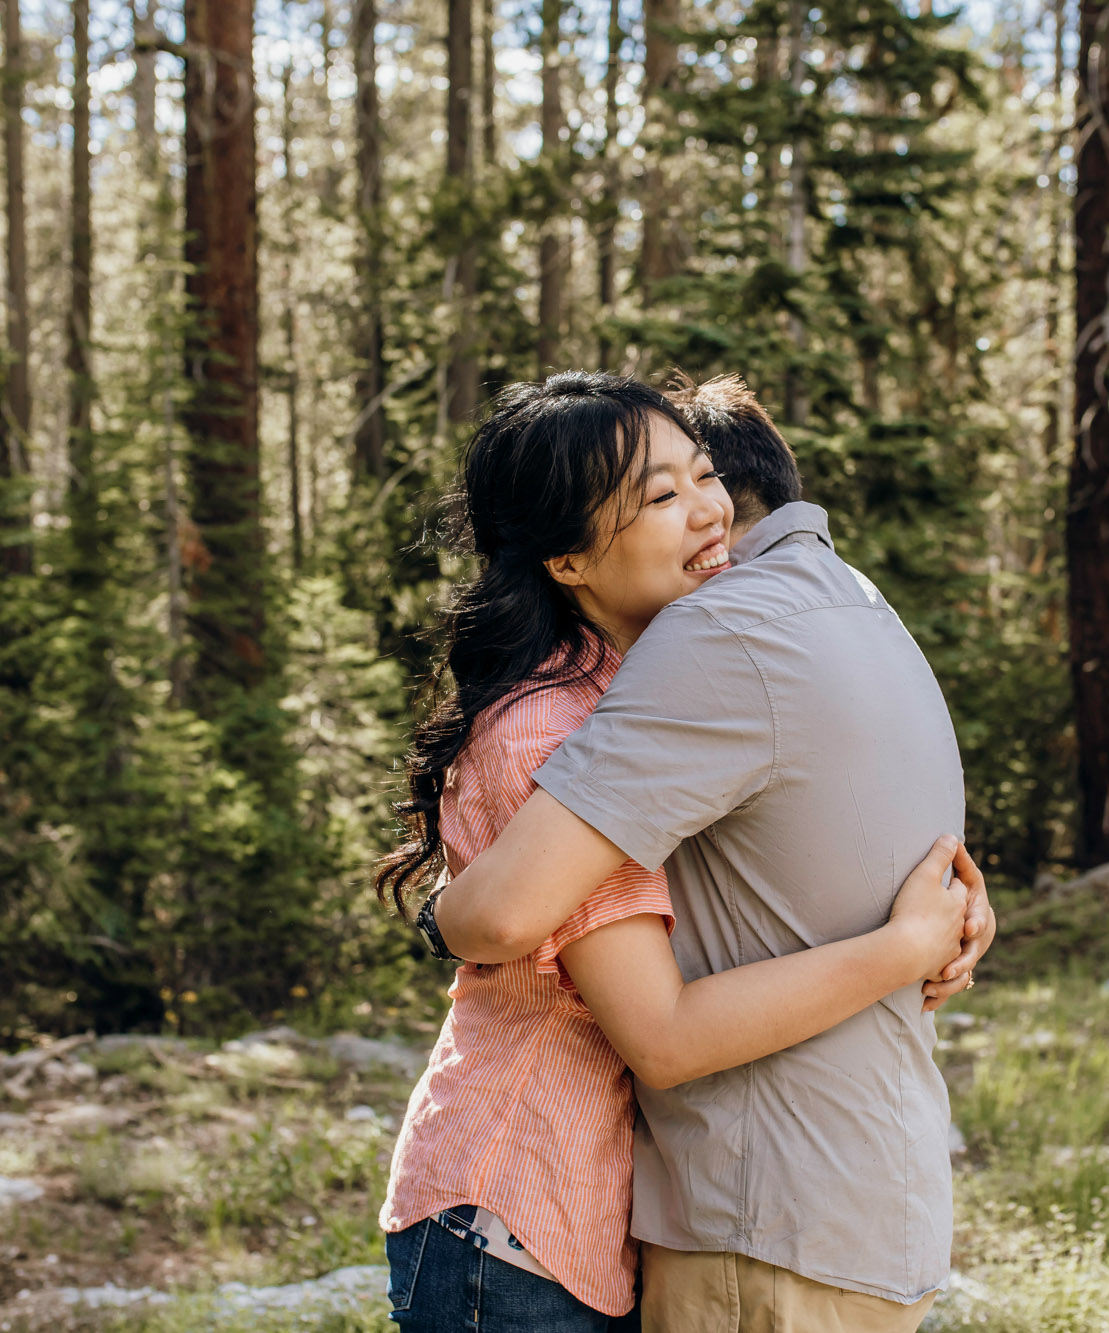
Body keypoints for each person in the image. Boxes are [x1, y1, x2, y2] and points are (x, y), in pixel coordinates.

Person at [376, 372, 984, 1333]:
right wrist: (901, 948)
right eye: (659, 497)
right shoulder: (560, 728)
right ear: (569, 560)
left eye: (703, 476)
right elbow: (645, 1024)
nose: (708, 513)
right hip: (515, 1206)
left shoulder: (651, 691)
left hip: (583, 1216)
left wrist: (940, 900)